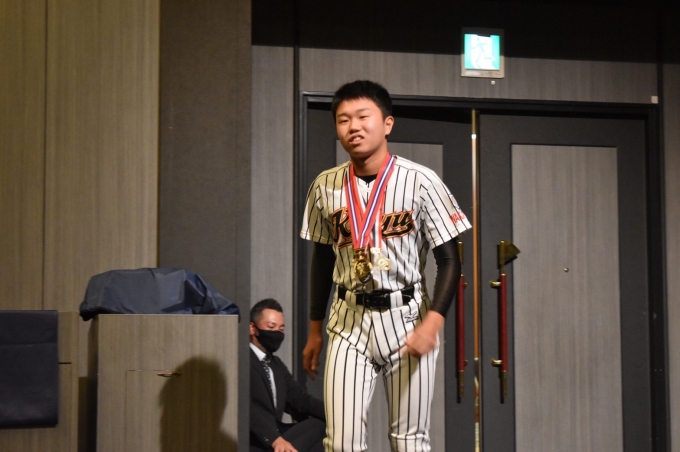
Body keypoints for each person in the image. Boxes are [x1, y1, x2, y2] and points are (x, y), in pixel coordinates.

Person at [300, 80, 471, 452]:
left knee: (409, 441)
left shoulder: (421, 181)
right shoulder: (324, 186)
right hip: (348, 320)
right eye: (344, 119)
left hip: (407, 316)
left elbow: (449, 260)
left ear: (387, 123)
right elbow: (322, 259)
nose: (354, 127)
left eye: (363, 116)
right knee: (340, 443)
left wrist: (433, 323)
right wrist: (314, 329)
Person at [250, 298, 326, 452]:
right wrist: (275, 440)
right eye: (271, 327)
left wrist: (339, 414)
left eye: (281, 329)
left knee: (324, 428)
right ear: (252, 328)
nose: (276, 333)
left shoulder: (276, 364)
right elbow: (244, 408)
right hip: (255, 440)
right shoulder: (241, 360)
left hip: (278, 435)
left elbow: (301, 401)